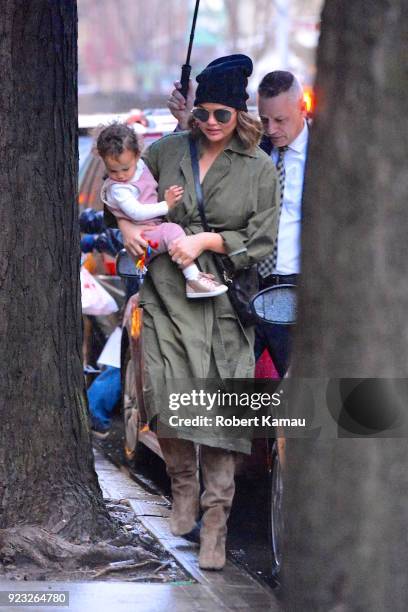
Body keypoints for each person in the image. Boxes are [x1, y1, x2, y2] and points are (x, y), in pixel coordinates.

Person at [116, 54, 279, 570]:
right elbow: (122, 195)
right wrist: (131, 231)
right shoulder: (166, 151)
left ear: (240, 113)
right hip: (166, 295)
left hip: (224, 302)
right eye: (203, 112)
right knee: (164, 397)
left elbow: (263, 241)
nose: (210, 122)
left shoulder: (257, 167)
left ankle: (215, 524)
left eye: (222, 114)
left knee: (221, 413)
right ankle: (182, 487)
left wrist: (209, 239)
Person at [168, 70, 308, 377]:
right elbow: (202, 161)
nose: (271, 129)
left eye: (280, 120)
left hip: (297, 288)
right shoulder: (251, 149)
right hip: (245, 286)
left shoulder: (323, 158)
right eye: (265, 119)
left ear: (302, 109)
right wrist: (185, 119)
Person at [97, 123, 227, 299]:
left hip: (148, 230)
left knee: (172, 233)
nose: (120, 176)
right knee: (172, 231)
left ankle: (193, 276)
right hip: (143, 238)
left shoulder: (142, 166)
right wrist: (166, 205)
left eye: (125, 169)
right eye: (112, 170)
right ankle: (193, 278)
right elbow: (136, 212)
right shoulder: (119, 189)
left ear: (136, 155)